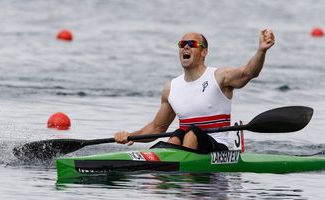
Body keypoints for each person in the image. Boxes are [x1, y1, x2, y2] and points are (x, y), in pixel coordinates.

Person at [115, 29, 275, 152]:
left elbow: (248, 73)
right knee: (176, 136)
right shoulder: (171, 88)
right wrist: (130, 136)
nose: (185, 47)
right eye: (182, 44)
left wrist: (262, 50)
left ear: (204, 52)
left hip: (217, 150)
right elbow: (157, 128)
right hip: (186, 144)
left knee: (190, 132)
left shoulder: (219, 77)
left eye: (191, 44)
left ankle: (182, 180)